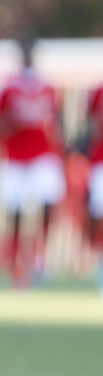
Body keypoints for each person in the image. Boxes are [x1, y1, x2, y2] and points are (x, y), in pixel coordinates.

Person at [0, 32, 64, 288]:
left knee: (49, 204)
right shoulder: (6, 86)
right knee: (14, 214)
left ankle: (39, 254)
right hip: (15, 158)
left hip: (42, 155)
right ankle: (18, 268)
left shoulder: (48, 86)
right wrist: (2, 126)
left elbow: (58, 119)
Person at [82, 82, 103, 295]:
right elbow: (89, 124)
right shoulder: (97, 90)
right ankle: (99, 265)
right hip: (100, 162)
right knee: (98, 217)